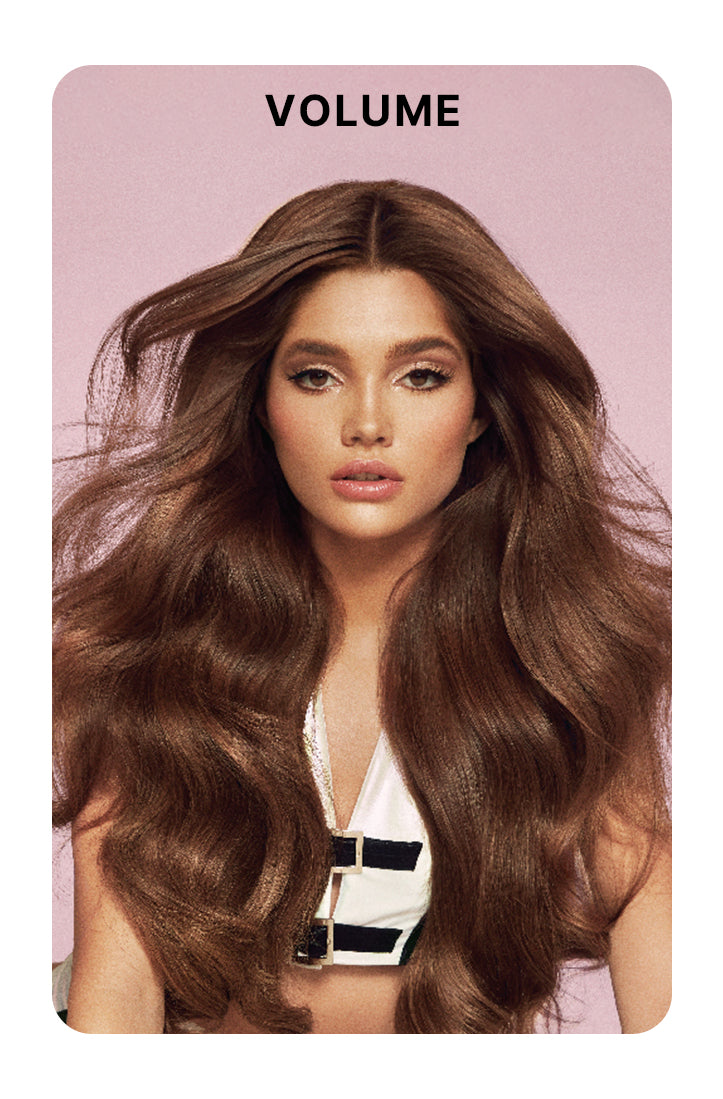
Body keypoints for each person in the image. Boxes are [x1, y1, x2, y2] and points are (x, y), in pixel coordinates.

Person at [52, 179, 671, 1034]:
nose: (367, 423)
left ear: (480, 408)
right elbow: (113, 999)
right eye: (316, 375)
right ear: (260, 405)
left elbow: (671, 996)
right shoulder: (150, 651)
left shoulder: (570, 657)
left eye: (420, 375)